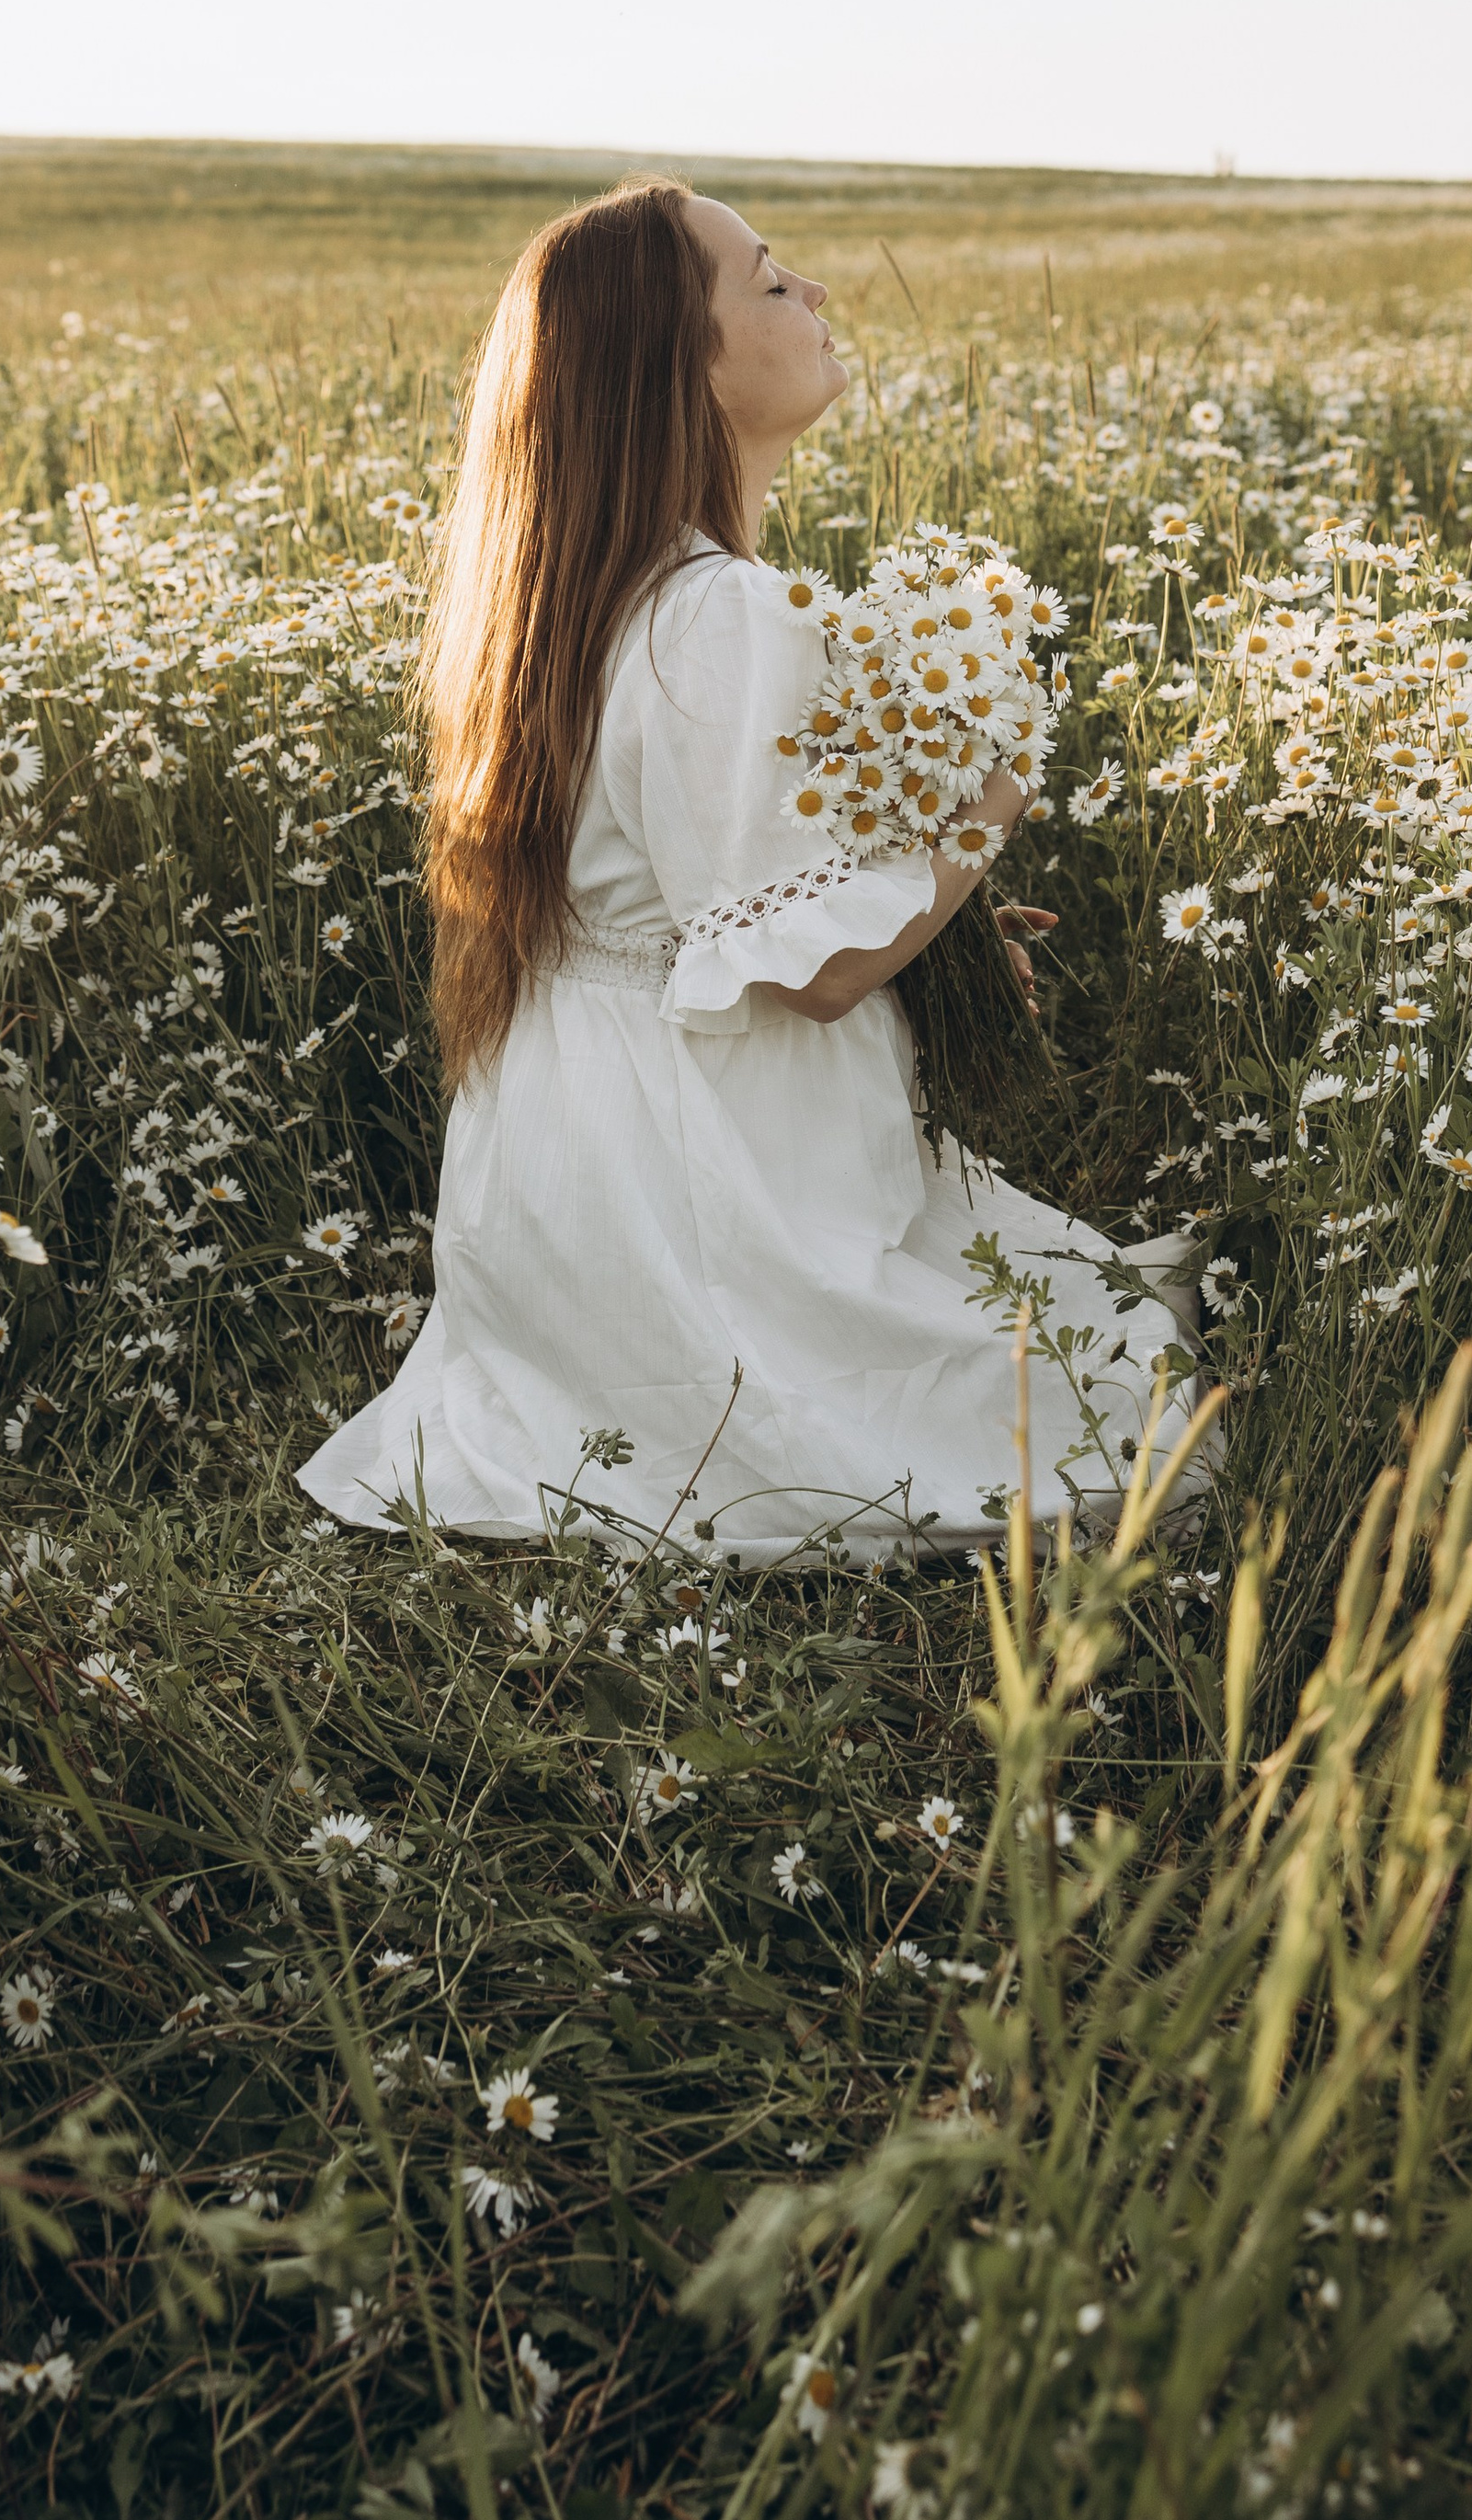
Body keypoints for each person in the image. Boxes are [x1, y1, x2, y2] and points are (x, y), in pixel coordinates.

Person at [298, 180, 1201, 1564]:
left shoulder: (591, 599)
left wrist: (935, 930)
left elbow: (720, 899)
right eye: (773, 283)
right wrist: (988, 795)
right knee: (1122, 1384)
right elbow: (828, 973)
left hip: (567, 1193)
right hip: (697, 1185)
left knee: (1081, 1314)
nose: (819, 297)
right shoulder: (722, 614)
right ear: (685, 368)